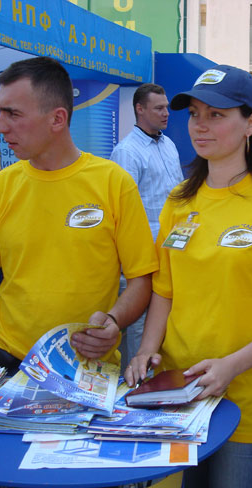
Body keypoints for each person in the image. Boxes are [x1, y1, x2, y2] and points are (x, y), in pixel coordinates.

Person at [124, 65, 252, 488]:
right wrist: (146, 350)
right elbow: (164, 292)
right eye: (195, 114)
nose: (200, 126)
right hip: (176, 392)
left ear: (251, 123)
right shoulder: (179, 202)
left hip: (247, 396)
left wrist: (231, 366)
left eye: (216, 115)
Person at [0, 57, 158, 374]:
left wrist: (114, 320)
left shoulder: (113, 183)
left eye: (13, 114)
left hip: (85, 371)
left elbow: (141, 279)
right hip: (7, 365)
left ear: (57, 119)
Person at [110, 83, 183, 370]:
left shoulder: (169, 144)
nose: (166, 113)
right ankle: (134, 387)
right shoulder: (127, 152)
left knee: (166, 318)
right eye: (159, 108)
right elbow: (122, 212)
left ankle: (160, 383)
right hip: (142, 254)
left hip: (174, 247)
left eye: (166, 107)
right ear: (139, 109)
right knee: (140, 324)